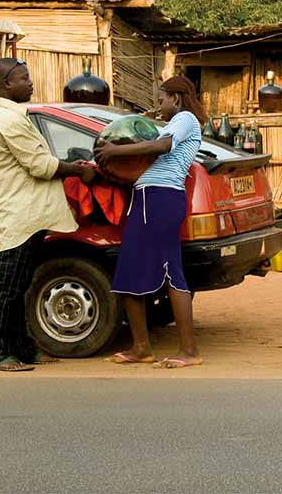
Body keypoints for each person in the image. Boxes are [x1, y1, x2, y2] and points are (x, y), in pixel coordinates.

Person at [0, 57, 96, 372]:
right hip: (17, 214)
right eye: (24, 78)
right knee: (8, 286)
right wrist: (78, 171)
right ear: (6, 84)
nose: (30, 83)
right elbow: (41, 166)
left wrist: (68, 166)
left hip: (26, 212)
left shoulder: (13, 116)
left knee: (18, 285)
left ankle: (22, 349)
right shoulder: (9, 120)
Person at [93, 74, 206, 369]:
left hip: (162, 198)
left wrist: (115, 151)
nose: (159, 105)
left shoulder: (185, 119)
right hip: (146, 199)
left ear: (176, 98)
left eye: (162, 99)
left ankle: (189, 351)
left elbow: (162, 147)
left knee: (171, 272)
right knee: (128, 272)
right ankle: (141, 348)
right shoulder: (173, 122)